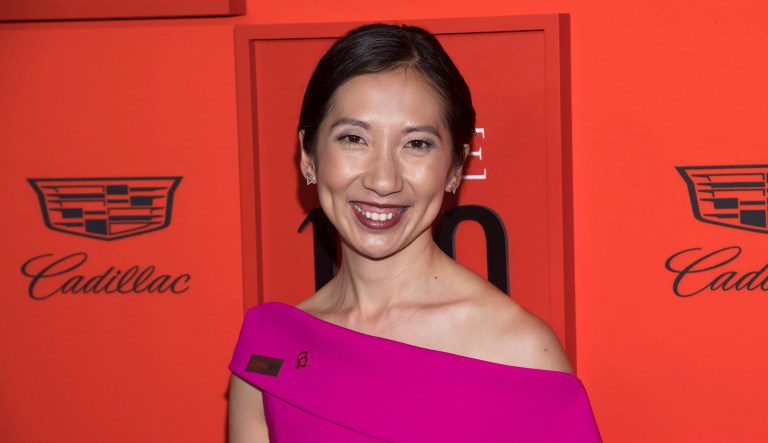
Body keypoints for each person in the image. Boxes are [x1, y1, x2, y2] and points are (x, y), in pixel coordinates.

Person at [229, 23, 600, 442]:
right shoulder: (272, 346)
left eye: (417, 144)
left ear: (456, 167)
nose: (383, 180)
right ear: (308, 155)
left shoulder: (518, 351)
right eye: (353, 138)